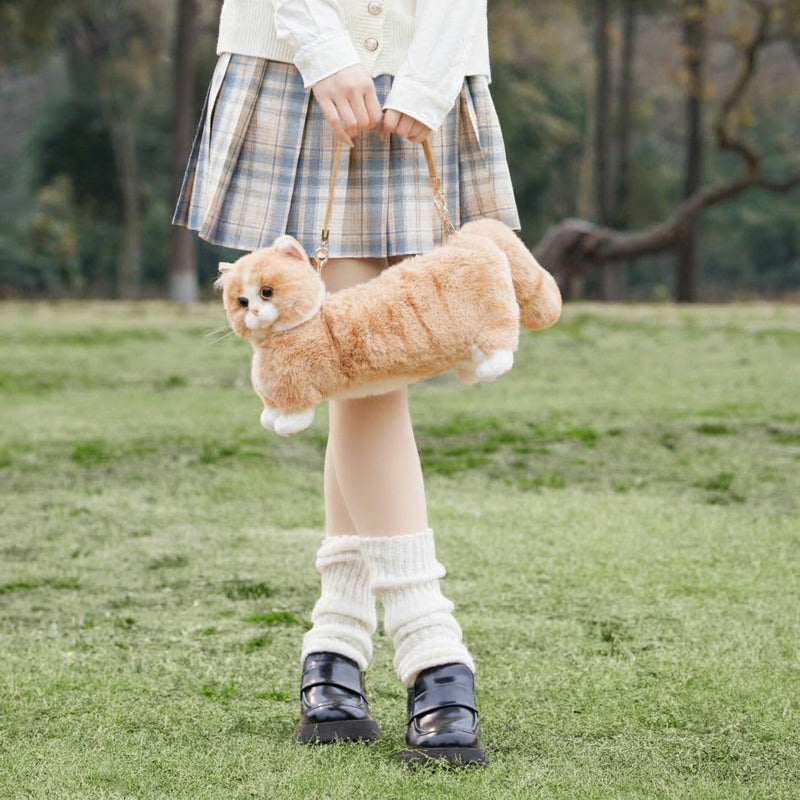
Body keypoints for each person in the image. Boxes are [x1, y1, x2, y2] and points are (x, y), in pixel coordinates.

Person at [174, 0, 519, 765]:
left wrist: (428, 79)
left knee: (360, 371)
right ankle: (432, 649)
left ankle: (334, 645)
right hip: (305, 70)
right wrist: (325, 48)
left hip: (425, 69)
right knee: (361, 370)